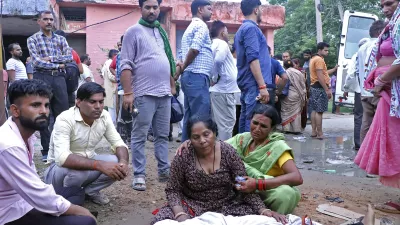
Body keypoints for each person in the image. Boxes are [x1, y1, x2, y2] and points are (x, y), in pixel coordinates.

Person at [152, 117, 287, 224]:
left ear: (214, 133)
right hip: (192, 205)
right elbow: (172, 189)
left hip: (227, 206)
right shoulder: (184, 155)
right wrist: (180, 214)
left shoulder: (228, 152)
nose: (202, 140)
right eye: (196, 137)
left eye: (206, 134)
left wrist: (263, 210)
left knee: (265, 221)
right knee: (163, 222)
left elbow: (242, 184)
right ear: (190, 139)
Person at [0, 79, 96, 225]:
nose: (44, 111)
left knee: (75, 192)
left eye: (46, 105)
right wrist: (80, 211)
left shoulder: (26, 135)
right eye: (35, 105)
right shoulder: (9, 144)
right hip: (10, 212)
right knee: (86, 221)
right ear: (15, 110)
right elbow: (36, 194)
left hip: (25, 199)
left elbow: (34, 185)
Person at [176, 105, 302, 215]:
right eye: (255, 123)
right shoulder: (242, 139)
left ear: (272, 128)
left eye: (263, 126)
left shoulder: (278, 147)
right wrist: (191, 141)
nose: (257, 129)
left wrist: (258, 184)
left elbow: (296, 177)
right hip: (240, 187)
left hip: (265, 189)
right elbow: (217, 146)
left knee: (286, 194)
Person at [120, 0, 177, 191]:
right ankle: (139, 174)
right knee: (139, 135)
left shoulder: (161, 32)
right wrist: (128, 93)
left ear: (159, 9)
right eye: (148, 7)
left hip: (164, 94)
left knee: (162, 135)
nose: (152, 11)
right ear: (140, 9)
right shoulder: (133, 31)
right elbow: (125, 64)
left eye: (155, 7)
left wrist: (171, 85)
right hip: (143, 93)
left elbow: (167, 60)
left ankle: (164, 171)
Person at [44, 82, 129, 205]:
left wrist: (123, 163)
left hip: (86, 162)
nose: (98, 106)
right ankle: (66, 199)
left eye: (101, 102)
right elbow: (62, 158)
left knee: (116, 162)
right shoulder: (65, 119)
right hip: (57, 171)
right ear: (78, 102)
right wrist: (100, 165)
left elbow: (118, 143)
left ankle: (89, 192)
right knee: (79, 172)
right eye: (92, 102)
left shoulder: (104, 116)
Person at [355, 0, 400, 213]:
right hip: (389, 93)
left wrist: (382, 80)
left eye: (389, 3)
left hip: (392, 91)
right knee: (393, 143)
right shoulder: (393, 24)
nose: (384, 9)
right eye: (382, 5)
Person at [27, 10, 73, 161]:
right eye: (45, 19)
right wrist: (58, 65)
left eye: (51, 19)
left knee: (63, 115)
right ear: (39, 21)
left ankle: (62, 149)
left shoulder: (60, 39)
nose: (49, 22)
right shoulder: (32, 39)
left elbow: (69, 57)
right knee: (43, 114)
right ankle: (47, 150)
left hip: (59, 79)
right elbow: (36, 62)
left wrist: (51, 59)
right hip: (42, 78)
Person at [174, 0, 213, 142]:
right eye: (209, 8)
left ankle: (186, 153)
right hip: (197, 75)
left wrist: (179, 71)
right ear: (200, 10)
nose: (212, 11)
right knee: (200, 118)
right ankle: (198, 156)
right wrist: (183, 67)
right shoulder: (201, 25)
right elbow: (195, 49)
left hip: (191, 77)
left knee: (190, 118)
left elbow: (180, 54)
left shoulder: (189, 28)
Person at [343, 20, 386, 150]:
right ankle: (377, 152)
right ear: (380, 32)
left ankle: (363, 150)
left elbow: (355, 71)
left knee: (365, 122)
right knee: (381, 123)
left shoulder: (361, 49)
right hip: (377, 90)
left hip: (364, 91)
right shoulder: (379, 46)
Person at [234, 0, 275, 133]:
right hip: (254, 84)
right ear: (256, 10)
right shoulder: (251, 28)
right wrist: (262, 87)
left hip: (248, 83)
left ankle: (241, 152)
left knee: (246, 119)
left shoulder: (243, 29)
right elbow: (253, 60)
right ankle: (248, 152)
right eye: (261, 9)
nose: (261, 12)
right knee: (253, 122)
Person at [209, 20, 241, 141]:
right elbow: (218, 60)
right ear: (222, 32)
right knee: (227, 125)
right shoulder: (222, 44)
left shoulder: (213, 44)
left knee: (221, 125)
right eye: (227, 31)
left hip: (220, 91)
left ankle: (220, 152)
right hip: (224, 91)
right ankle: (225, 154)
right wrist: (215, 77)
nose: (228, 34)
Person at [309, 42, 338, 139]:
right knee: (319, 111)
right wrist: (327, 89)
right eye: (325, 50)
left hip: (314, 86)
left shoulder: (314, 59)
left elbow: (323, 72)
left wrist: (334, 69)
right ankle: (320, 133)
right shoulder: (319, 60)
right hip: (319, 87)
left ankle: (314, 132)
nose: (327, 52)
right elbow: (320, 76)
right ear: (319, 50)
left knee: (314, 110)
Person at [110, 35, 133, 145]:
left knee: (128, 115)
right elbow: (122, 71)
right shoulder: (121, 55)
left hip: (129, 90)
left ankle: (127, 140)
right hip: (124, 90)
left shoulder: (126, 54)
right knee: (124, 116)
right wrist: (117, 77)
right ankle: (124, 141)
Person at [281, 60, 307, 134]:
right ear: (293, 65)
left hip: (288, 94)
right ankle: (296, 129)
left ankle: (286, 128)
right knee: (296, 111)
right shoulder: (299, 72)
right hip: (298, 94)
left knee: (285, 111)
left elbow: (282, 83)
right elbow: (303, 84)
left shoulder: (285, 72)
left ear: (284, 66)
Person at [102, 49, 119, 126]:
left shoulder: (106, 63)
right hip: (112, 89)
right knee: (113, 111)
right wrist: (121, 79)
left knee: (112, 109)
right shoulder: (109, 62)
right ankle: (113, 128)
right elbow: (111, 76)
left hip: (110, 88)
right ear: (114, 55)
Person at [302, 49, 312, 120]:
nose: (305, 56)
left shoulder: (311, 62)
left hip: (310, 84)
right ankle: (308, 115)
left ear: (310, 55)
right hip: (305, 84)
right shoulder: (305, 62)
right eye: (304, 55)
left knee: (310, 100)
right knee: (307, 100)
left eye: (307, 55)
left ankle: (310, 116)